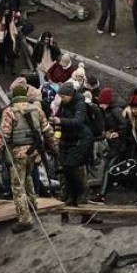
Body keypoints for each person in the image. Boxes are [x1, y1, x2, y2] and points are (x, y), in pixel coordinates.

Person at [0, 82, 56, 233]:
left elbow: (4, 134)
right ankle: (33, 205)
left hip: (18, 153)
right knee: (28, 176)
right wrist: (55, 147)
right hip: (34, 152)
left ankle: (24, 219)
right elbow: (47, 129)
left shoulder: (9, 111)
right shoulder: (36, 109)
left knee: (17, 186)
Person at [50, 84, 93, 218]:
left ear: (70, 94)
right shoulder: (63, 104)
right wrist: (56, 136)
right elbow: (58, 123)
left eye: (64, 96)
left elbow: (78, 121)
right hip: (67, 140)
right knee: (66, 170)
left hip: (81, 139)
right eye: (60, 96)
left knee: (70, 167)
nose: (62, 99)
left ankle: (79, 192)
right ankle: (73, 198)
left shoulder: (80, 104)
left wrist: (60, 120)